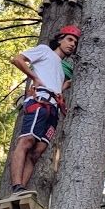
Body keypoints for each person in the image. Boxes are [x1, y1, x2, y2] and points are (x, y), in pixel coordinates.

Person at [5, 25, 80, 194]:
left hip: (53, 108)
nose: (72, 44)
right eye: (69, 39)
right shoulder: (45, 51)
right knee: (27, 141)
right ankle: (16, 185)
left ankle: (20, 190)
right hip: (39, 101)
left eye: (75, 43)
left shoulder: (62, 69)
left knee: (37, 152)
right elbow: (17, 59)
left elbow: (54, 83)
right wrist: (34, 77)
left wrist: (63, 88)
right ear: (60, 39)